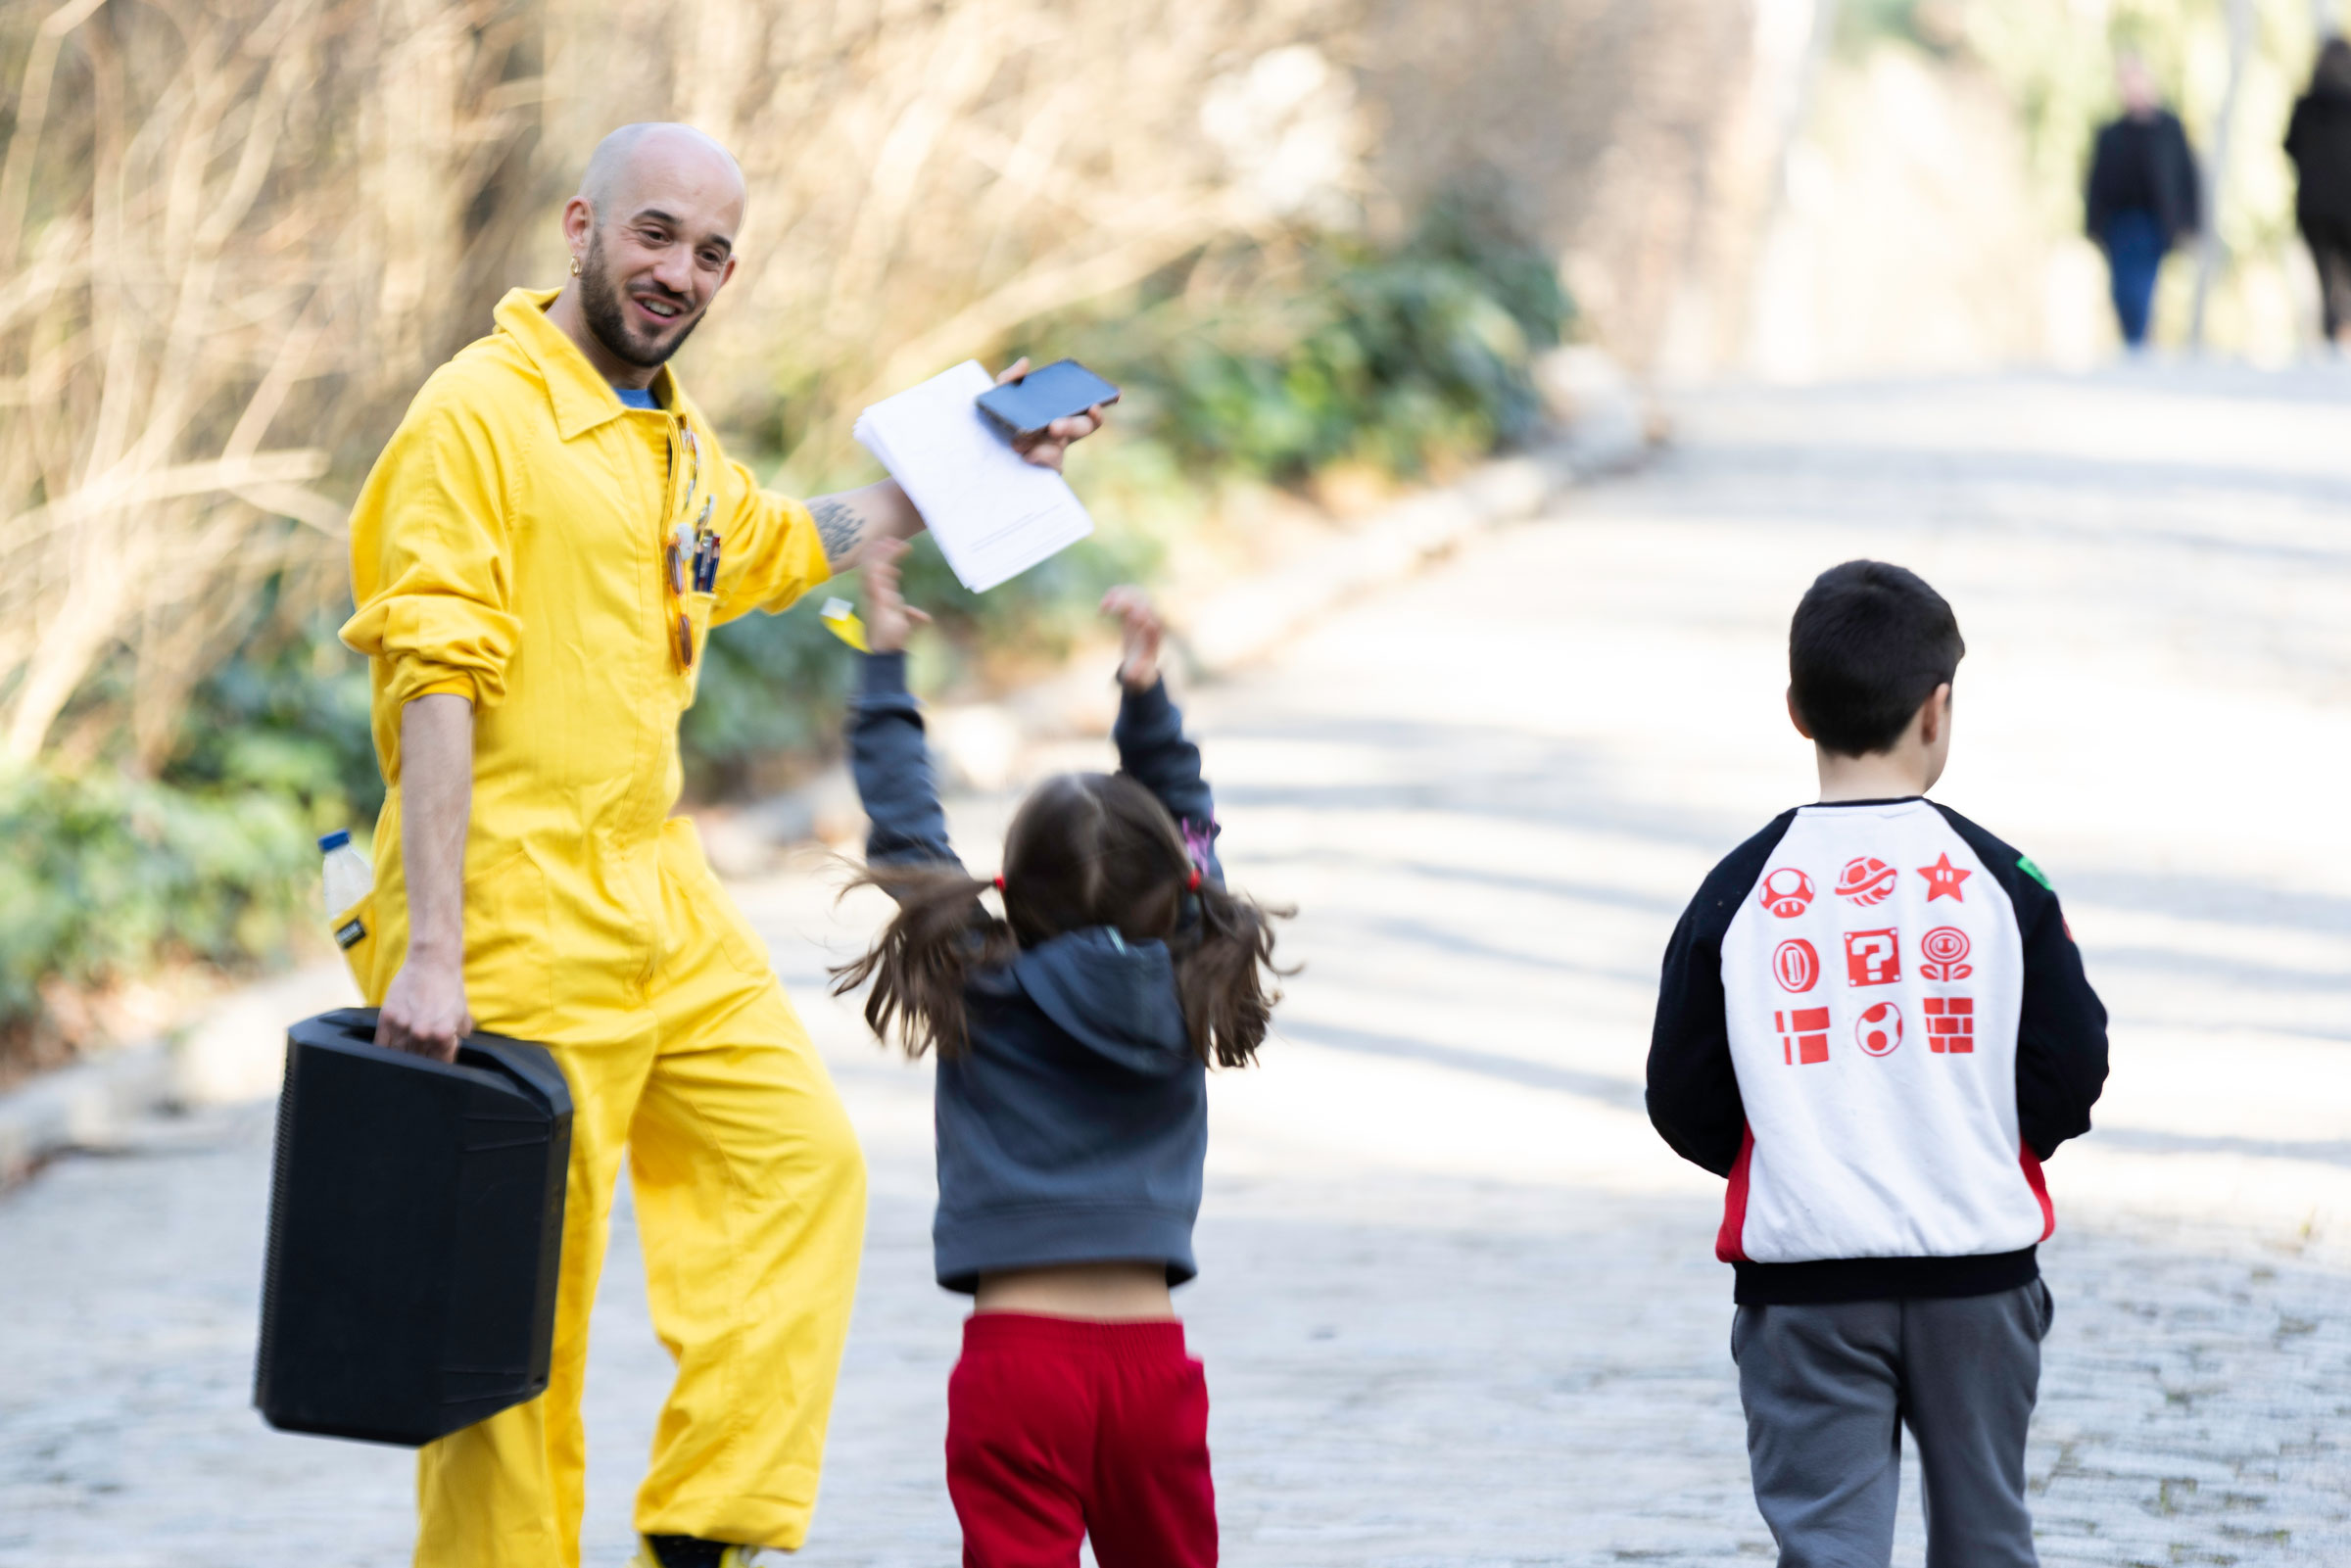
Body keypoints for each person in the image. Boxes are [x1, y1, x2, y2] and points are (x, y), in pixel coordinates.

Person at [337, 123, 1108, 1568]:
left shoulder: (668, 436)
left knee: (797, 1170)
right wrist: (432, 951)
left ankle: (703, 1536)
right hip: (505, 911)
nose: (678, 272)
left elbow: (772, 541)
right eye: (654, 234)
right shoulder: (477, 417)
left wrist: (980, 457)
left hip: (655, 893)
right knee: (513, 1324)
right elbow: (432, 681)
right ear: (582, 227)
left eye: (710, 252)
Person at [829, 545, 1288, 1567]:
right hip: (1150, 1367)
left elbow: (905, 832)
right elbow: (1193, 836)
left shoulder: (976, 974)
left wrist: (886, 666)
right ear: (1175, 887)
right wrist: (1147, 701)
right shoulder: (1194, 968)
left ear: (1006, 886)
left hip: (1016, 1362)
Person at [1645, 560, 2110, 1567]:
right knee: (1988, 1538)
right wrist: (1975, 1136)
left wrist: (1794, 1139)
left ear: (1796, 710)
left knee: (1830, 1545)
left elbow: (1680, 1092)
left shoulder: (1737, 890)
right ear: (1937, 709)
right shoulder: (2004, 882)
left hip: (1804, 1284)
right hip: (1978, 1274)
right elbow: (2072, 1068)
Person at [2085, 55, 2200, 351]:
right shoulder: (2110, 134)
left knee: (2143, 287)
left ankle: (2138, 344)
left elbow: (2187, 177)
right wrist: (2092, 226)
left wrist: (2190, 223)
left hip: (2153, 223)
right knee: (2121, 291)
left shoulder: (2168, 129)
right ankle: (2134, 342)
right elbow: (2096, 183)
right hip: (2119, 224)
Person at [2286, 37, 2351, 348]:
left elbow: (2289, 146)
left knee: (2325, 275)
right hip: (2344, 206)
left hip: (2313, 208)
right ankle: (2338, 327)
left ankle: (2332, 329)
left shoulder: (2305, 106)